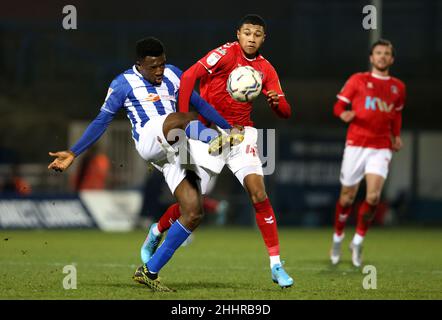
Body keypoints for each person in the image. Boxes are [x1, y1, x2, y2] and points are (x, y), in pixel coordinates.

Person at [48, 37, 242, 291]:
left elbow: (201, 103)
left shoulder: (173, 75)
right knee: (178, 118)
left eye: (162, 64)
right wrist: (74, 153)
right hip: (151, 140)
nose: (160, 70)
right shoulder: (122, 84)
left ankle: (149, 270)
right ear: (139, 64)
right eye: (153, 67)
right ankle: (214, 138)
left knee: (194, 212)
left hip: (175, 148)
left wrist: (228, 126)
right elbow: (101, 121)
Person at [141, 14, 294, 288]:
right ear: (238, 34)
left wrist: (275, 102)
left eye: (257, 34)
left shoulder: (266, 70)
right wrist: (183, 115)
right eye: (247, 33)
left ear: (263, 38)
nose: (251, 38)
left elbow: (285, 112)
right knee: (193, 204)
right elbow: (188, 76)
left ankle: (276, 264)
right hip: (209, 134)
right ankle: (158, 229)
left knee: (258, 193)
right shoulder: (224, 54)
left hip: (242, 134)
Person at [329, 39, 406, 267]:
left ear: (391, 59)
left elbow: (396, 115)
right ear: (372, 58)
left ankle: (358, 240)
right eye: (378, 53)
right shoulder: (358, 80)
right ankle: (338, 237)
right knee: (347, 197)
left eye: (386, 53)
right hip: (356, 144)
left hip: (381, 146)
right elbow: (338, 106)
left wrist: (397, 135)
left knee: (373, 197)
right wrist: (342, 115)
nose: (382, 56)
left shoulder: (398, 87)